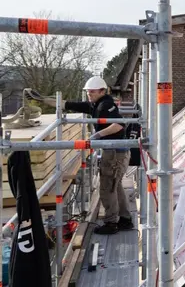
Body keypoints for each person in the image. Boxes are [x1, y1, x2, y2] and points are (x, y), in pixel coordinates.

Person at [42, 76, 134, 235]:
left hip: (114, 154)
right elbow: (74, 105)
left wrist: (97, 135)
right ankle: (125, 219)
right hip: (115, 152)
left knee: (107, 188)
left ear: (102, 91)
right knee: (115, 185)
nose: (89, 94)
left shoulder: (106, 105)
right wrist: (49, 101)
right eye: (88, 92)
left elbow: (119, 124)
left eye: (92, 92)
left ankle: (111, 223)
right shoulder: (96, 104)